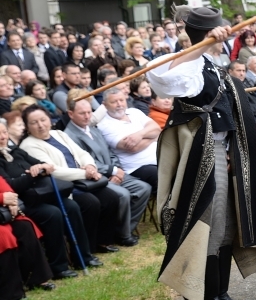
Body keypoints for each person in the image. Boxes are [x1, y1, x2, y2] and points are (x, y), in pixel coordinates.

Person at [146, 6, 256, 300]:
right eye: (219, 30)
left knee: (228, 221)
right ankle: (207, 299)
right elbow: (160, 77)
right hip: (202, 152)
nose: (226, 33)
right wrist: (196, 47)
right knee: (209, 222)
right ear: (207, 34)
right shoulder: (188, 66)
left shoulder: (211, 64)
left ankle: (221, 291)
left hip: (225, 149)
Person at [20, 105, 122, 255]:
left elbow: (82, 153)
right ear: (27, 127)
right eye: (34, 122)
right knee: (90, 203)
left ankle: (103, 241)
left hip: (84, 180)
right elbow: (54, 171)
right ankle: (86, 248)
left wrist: (89, 166)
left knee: (111, 198)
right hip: (64, 187)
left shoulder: (59, 134)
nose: (40, 125)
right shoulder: (28, 145)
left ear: (49, 119)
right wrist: (85, 174)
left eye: (43, 120)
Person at [65, 90, 149, 246]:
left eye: (89, 112)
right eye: (82, 113)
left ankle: (123, 229)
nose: (87, 116)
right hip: (95, 177)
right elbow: (85, 162)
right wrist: (112, 171)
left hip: (112, 172)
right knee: (123, 195)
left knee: (143, 188)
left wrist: (116, 169)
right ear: (71, 114)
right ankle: (124, 236)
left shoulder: (92, 128)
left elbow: (109, 152)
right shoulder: (70, 135)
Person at [96, 88, 159, 190]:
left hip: (159, 158)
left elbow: (156, 128)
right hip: (137, 168)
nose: (119, 104)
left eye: (121, 100)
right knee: (163, 176)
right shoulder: (104, 125)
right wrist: (153, 137)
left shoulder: (134, 112)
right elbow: (133, 147)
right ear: (104, 104)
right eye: (114, 102)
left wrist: (139, 135)